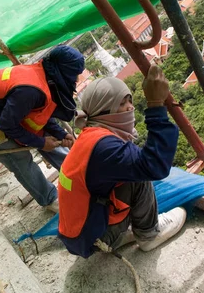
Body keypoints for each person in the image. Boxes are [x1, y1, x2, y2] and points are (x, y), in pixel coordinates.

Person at [57, 66, 187, 258]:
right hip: (94, 237)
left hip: (81, 235)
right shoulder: (105, 147)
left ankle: (121, 230)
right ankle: (148, 235)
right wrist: (156, 104)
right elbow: (155, 165)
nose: (130, 107)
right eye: (121, 103)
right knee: (138, 172)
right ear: (103, 109)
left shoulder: (91, 137)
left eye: (129, 100)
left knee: (132, 164)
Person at [0, 45, 84, 213]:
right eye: (74, 74)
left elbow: (41, 115)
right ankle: (50, 199)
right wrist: (40, 143)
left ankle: (77, 177)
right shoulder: (30, 90)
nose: (76, 80)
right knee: (18, 156)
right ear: (62, 71)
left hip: (5, 109)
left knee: (48, 137)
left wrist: (61, 133)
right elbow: (7, 125)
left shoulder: (45, 75)